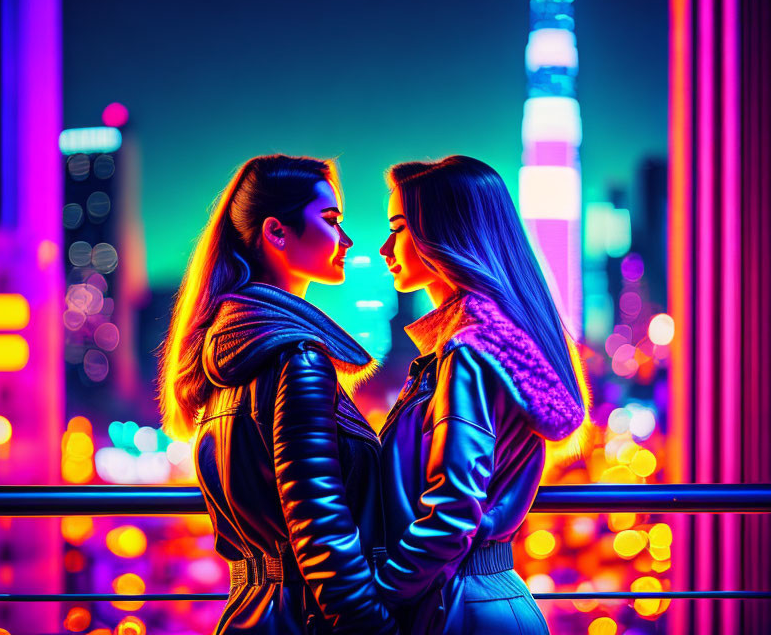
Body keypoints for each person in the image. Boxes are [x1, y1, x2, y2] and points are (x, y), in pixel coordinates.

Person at [158, 155, 395, 634]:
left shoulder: (225, 352)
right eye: (330, 221)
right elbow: (319, 524)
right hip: (308, 618)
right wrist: (374, 626)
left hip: (250, 610)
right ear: (277, 232)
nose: (345, 240)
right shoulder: (298, 358)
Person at [375, 155, 586, 634]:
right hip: (487, 597)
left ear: (444, 234)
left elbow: (453, 509)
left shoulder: (468, 351)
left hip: (461, 608)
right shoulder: (494, 340)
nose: (387, 247)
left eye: (400, 228)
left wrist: (374, 597)